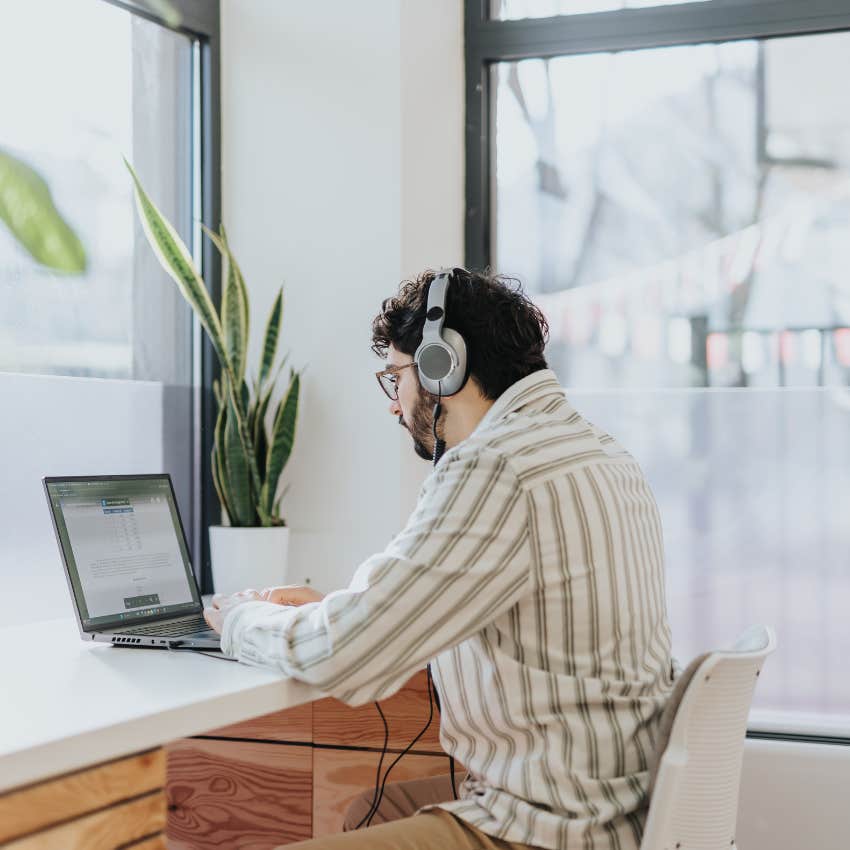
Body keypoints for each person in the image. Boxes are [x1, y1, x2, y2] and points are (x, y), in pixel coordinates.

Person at [203, 268, 676, 850]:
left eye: (396, 377)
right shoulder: (600, 453)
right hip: (621, 814)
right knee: (373, 807)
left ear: (441, 365)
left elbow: (350, 655)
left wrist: (239, 619)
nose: (395, 405)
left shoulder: (497, 466)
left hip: (548, 828)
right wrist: (343, 608)